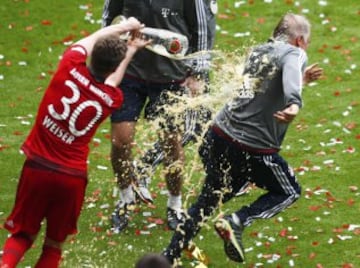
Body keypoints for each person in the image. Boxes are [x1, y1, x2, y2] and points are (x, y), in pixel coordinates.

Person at [162, 13, 323, 266]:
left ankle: (169, 255)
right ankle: (237, 221)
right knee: (289, 191)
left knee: (211, 196)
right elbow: (291, 72)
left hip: (218, 135)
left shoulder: (259, 51)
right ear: (300, 40)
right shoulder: (296, 53)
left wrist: (301, 81)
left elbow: (261, 90)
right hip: (251, 147)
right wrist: (294, 103)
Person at [0, 18, 150, 268]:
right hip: (71, 178)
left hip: (37, 167)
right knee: (53, 245)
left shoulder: (70, 64)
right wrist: (132, 50)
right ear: (113, 66)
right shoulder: (112, 98)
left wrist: (124, 27)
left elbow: (92, 39)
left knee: (23, 235)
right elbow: (112, 81)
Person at [102, 0, 217, 233]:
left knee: (171, 143)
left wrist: (197, 72)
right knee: (120, 141)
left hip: (170, 77)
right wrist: (106, 58)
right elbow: (109, 19)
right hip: (130, 73)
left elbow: (202, 29)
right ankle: (125, 198)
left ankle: (175, 204)